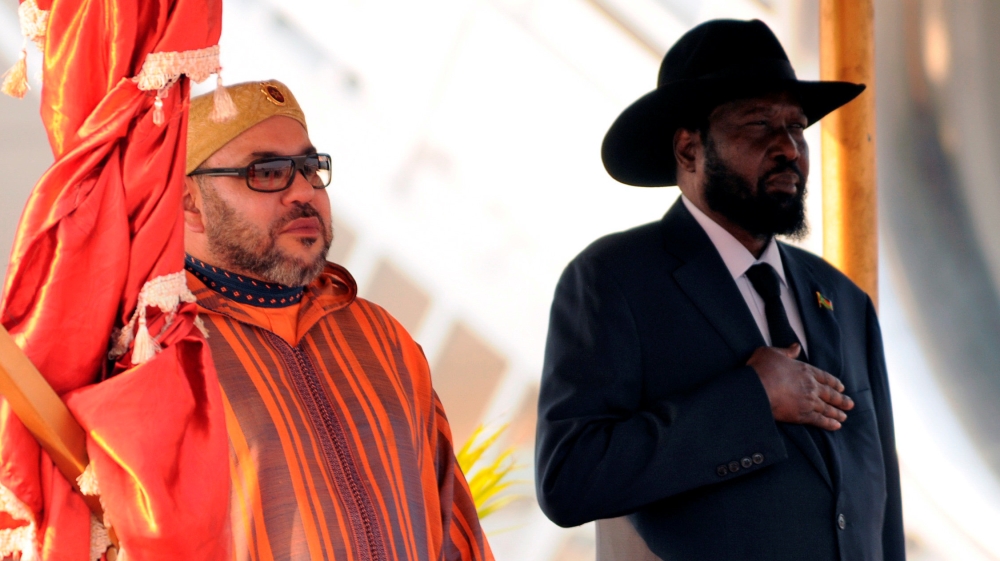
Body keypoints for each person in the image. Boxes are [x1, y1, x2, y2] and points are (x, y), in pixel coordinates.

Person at [535, 19, 903, 561]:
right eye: (759, 124)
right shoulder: (614, 279)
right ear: (688, 149)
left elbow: (881, 502)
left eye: (797, 127)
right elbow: (569, 476)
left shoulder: (844, 299)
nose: (788, 148)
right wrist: (752, 401)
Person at [182, 80, 493, 561]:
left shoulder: (379, 334)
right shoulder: (160, 351)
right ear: (190, 204)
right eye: (267, 173)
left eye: (310, 168)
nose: (303, 192)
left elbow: (453, 525)